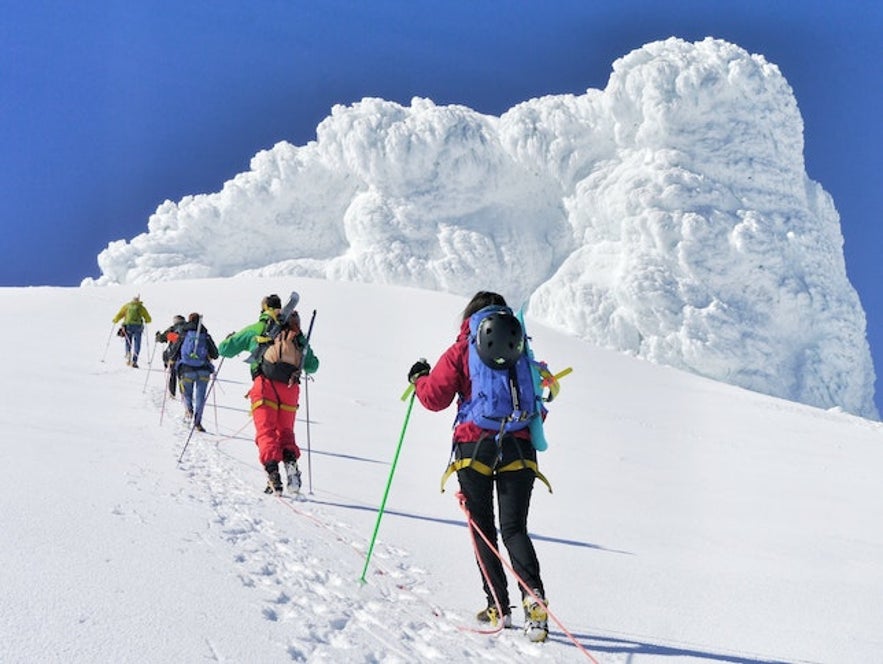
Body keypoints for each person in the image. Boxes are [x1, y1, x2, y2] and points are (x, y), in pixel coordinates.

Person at [407, 291, 549, 642]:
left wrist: (418, 378)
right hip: (519, 445)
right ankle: (534, 603)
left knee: (482, 527)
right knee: (515, 528)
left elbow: (434, 397)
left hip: (474, 447)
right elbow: (538, 401)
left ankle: (497, 606)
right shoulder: (521, 348)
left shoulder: (464, 347)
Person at [218, 294, 319, 494]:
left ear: (263, 308)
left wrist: (230, 339)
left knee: (266, 431)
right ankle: (292, 471)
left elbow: (224, 350)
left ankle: (273, 475)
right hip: (290, 388)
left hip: (264, 385)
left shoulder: (258, 328)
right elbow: (313, 366)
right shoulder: (294, 331)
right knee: (286, 432)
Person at [167, 313, 219, 432]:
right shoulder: (205, 335)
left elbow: (175, 349)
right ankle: (198, 422)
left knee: (187, 393)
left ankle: (189, 410)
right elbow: (215, 354)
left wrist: (172, 359)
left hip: (186, 369)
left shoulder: (183, 334)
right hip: (203, 371)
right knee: (200, 398)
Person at [112, 295, 152, 368]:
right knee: (137, 344)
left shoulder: (127, 306)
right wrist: (147, 320)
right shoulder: (141, 307)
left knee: (128, 342)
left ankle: (128, 354)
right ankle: (134, 361)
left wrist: (115, 320)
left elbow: (120, 314)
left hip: (128, 327)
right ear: (138, 300)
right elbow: (148, 319)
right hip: (138, 328)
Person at [156, 315, 186, 397]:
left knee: (173, 373)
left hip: (174, 354)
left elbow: (163, 338)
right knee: (181, 375)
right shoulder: (187, 328)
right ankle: (183, 393)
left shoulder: (173, 328)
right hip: (185, 354)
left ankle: (172, 393)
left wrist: (158, 336)